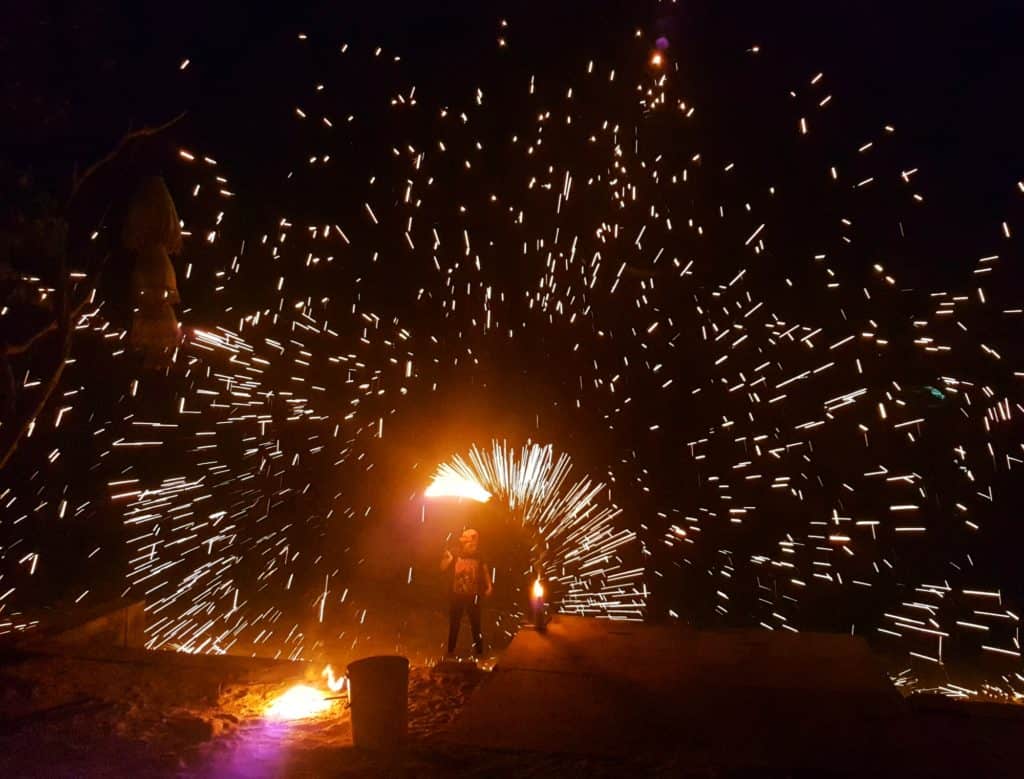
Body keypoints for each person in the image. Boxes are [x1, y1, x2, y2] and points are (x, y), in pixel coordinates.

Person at [440, 528, 493, 656]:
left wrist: (489, 586)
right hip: (456, 595)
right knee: (454, 624)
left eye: (469, 542)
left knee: (476, 625)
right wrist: (446, 559)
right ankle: (450, 651)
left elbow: (485, 571)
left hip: (473, 596)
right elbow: (442, 568)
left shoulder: (479, 555)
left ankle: (480, 652)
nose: (467, 544)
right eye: (465, 542)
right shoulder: (454, 552)